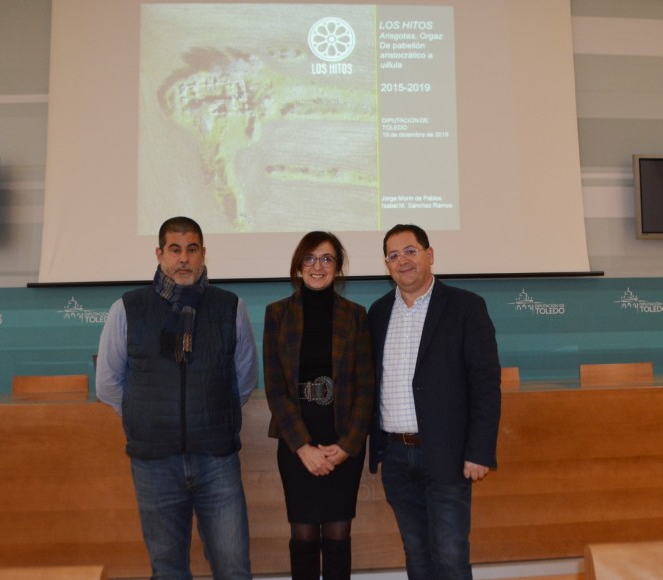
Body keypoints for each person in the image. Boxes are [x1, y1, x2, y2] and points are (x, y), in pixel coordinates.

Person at [95, 216, 257, 580]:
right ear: (159, 254)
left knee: (233, 567)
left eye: (192, 249)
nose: (183, 258)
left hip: (217, 459)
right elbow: (107, 383)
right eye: (174, 249)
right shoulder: (127, 308)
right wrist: (146, 415)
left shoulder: (231, 307)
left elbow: (243, 381)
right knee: (168, 571)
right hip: (155, 463)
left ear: (203, 254)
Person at [367, 224, 501, 580]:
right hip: (395, 456)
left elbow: (485, 384)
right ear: (386, 265)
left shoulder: (466, 307)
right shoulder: (378, 313)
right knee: (417, 553)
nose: (402, 261)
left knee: (451, 555)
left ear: (430, 254)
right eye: (393, 256)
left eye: (410, 251)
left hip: (448, 454)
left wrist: (480, 450)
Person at [263, 231, 375, 580]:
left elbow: (366, 386)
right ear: (298, 266)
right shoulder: (278, 314)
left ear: (337, 268)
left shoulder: (355, 316)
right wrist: (303, 447)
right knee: (304, 535)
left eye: (327, 259)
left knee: (339, 536)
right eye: (309, 258)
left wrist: (347, 446)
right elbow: (275, 388)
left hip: (343, 443)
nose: (317, 266)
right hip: (297, 445)